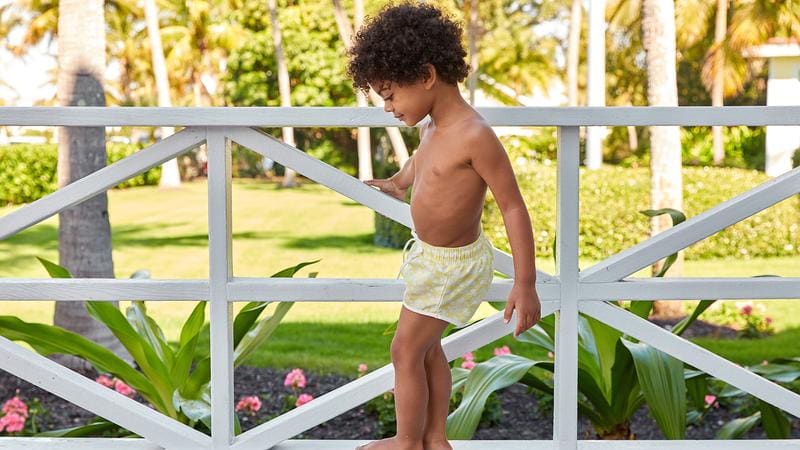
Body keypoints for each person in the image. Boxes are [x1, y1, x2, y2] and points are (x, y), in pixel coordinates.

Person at [347, 3, 541, 449]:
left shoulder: (475, 135)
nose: (390, 107)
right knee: (428, 349)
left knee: (404, 350)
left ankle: (406, 441)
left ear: (428, 75)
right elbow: (424, 163)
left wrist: (524, 284)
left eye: (392, 94)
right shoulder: (432, 124)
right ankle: (435, 437)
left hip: (452, 266)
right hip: (432, 259)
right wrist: (401, 182)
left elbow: (513, 207)